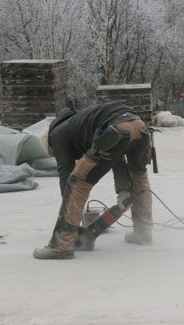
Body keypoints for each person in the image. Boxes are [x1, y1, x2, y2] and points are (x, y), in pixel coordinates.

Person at [34, 101, 154, 260]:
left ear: (49, 145)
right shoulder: (80, 124)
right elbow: (116, 158)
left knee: (77, 183)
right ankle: (143, 232)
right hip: (140, 126)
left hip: (116, 128)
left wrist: (70, 214)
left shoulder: (56, 135)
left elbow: (66, 176)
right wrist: (123, 191)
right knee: (138, 176)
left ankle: (61, 245)